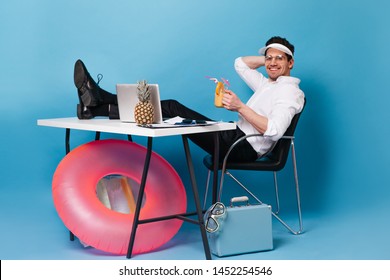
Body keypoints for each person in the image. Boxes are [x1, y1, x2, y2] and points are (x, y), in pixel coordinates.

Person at [73, 36, 305, 162]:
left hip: (241, 147)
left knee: (174, 108)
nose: (273, 63)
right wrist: (268, 56)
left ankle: (100, 100)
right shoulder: (268, 83)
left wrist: (240, 107)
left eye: (280, 59)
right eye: (269, 59)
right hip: (233, 135)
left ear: (291, 63)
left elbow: (274, 130)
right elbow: (240, 64)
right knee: (174, 109)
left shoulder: (290, 93)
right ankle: (96, 107)